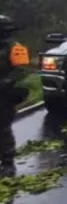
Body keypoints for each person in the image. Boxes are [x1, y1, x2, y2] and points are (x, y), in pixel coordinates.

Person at [0, 15, 30, 177]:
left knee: (3, 128)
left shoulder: (15, 48)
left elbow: (21, 72)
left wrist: (12, 89)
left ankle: (7, 163)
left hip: (4, 93)